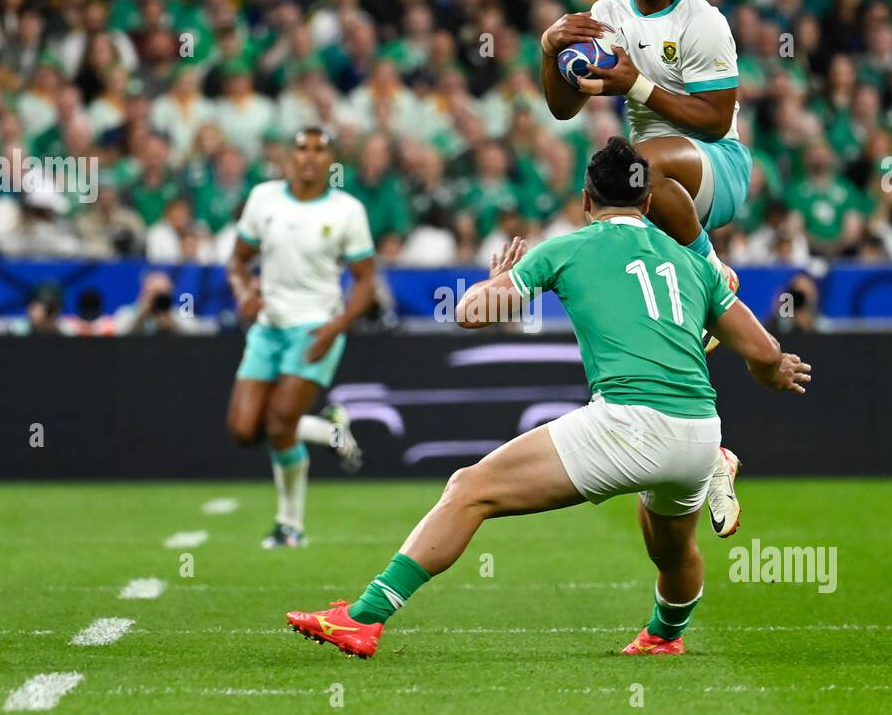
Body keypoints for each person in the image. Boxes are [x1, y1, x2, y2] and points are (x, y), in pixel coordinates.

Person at [287, 138, 810, 658]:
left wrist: (494, 282)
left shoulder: (569, 247)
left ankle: (363, 618)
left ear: (585, 201)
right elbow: (764, 351)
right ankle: (664, 636)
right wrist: (773, 375)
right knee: (671, 550)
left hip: (629, 424)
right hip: (698, 431)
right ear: (647, 203)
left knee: (470, 488)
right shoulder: (691, 263)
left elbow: (471, 313)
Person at [540, 0, 751, 352]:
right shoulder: (607, 11)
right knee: (603, 201)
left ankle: (715, 273)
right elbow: (564, 108)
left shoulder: (703, 21)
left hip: (718, 166)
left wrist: (636, 85)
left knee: (638, 164)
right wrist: (548, 51)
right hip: (654, 182)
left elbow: (715, 122)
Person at [226, 128, 377, 548]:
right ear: (288, 157)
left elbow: (366, 282)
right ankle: (329, 431)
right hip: (268, 327)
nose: (309, 157)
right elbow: (238, 261)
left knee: (278, 424)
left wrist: (335, 327)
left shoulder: (347, 210)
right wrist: (244, 293)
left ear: (331, 160)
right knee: (243, 430)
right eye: (301, 149)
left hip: (315, 328)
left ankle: (289, 525)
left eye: (318, 150)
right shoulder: (263, 199)